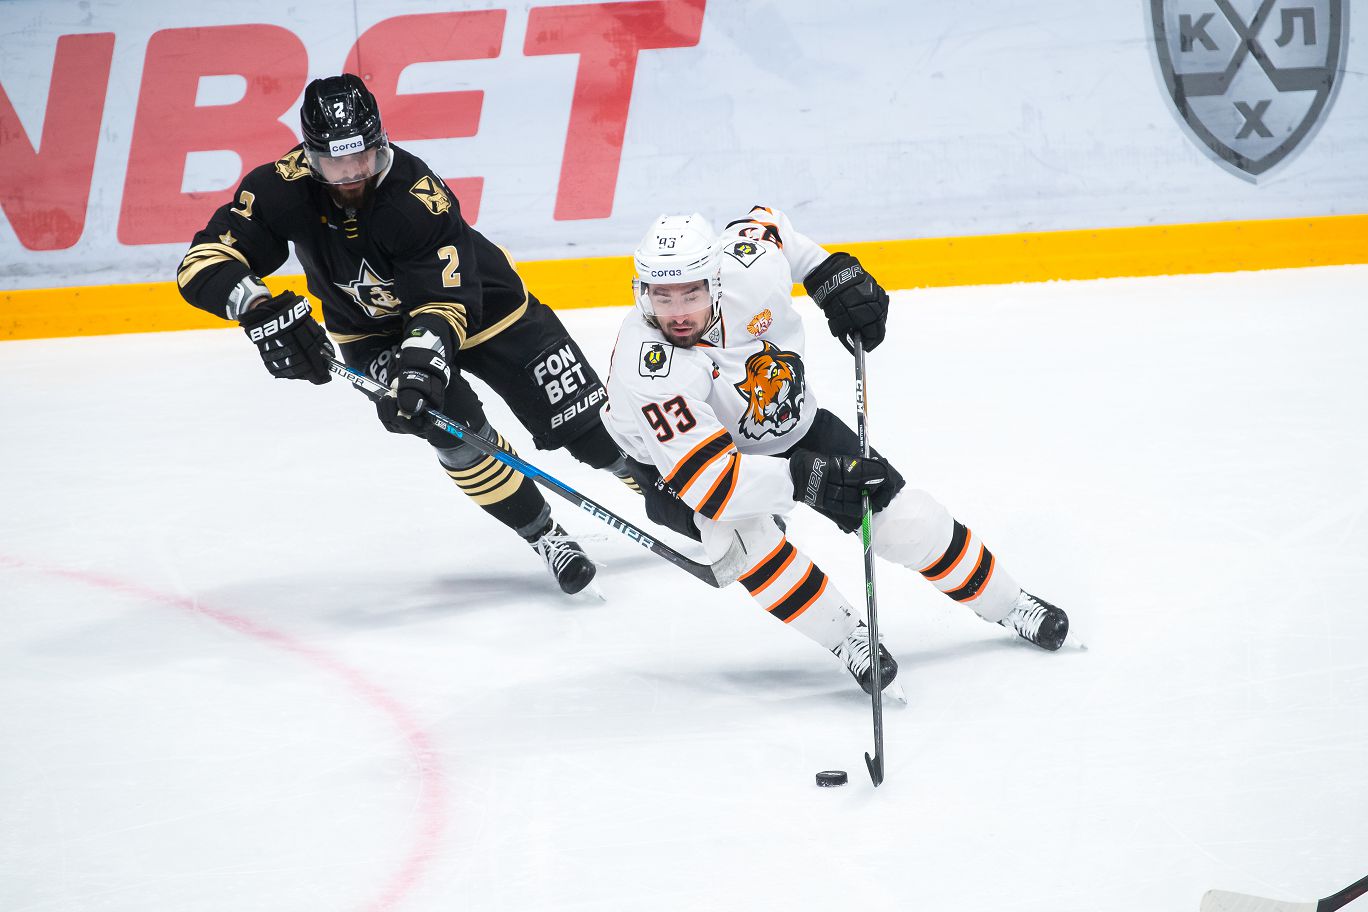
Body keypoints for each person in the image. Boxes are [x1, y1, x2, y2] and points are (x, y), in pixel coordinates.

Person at [176, 74, 638, 594]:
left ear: (381, 142)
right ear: (309, 157)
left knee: (589, 430)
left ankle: (665, 492)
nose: (351, 175)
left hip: (488, 308)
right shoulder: (279, 188)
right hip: (370, 334)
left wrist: (420, 366)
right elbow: (201, 262)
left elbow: (443, 304)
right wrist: (256, 307)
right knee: (450, 429)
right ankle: (545, 535)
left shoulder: (417, 196)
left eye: (363, 159)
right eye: (335, 163)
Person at [601, 207, 1069, 694]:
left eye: (690, 292)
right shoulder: (649, 373)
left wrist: (829, 274)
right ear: (643, 291)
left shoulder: (751, 264)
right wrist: (806, 478)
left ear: (716, 280)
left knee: (902, 521)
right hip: (679, 462)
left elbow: (771, 224)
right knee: (740, 542)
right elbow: (715, 484)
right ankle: (848, 638)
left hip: (791, 428)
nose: (675, 312)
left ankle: (1011, 603)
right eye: (662, 294)